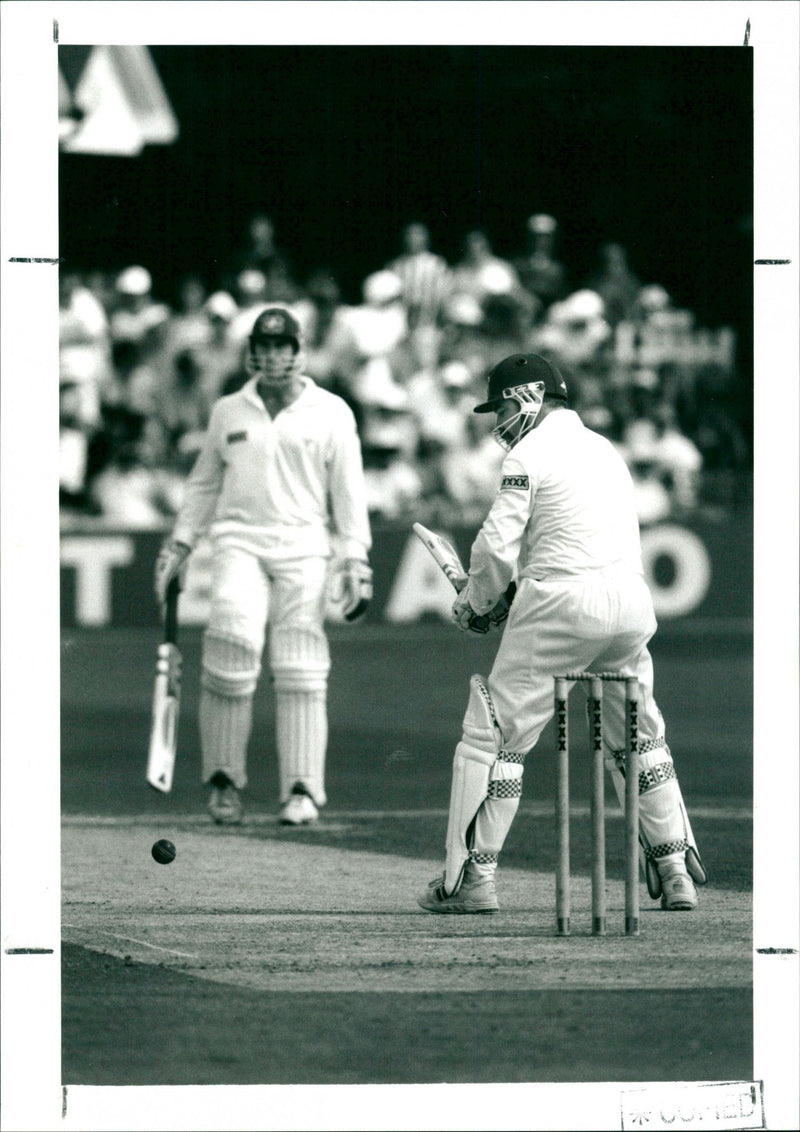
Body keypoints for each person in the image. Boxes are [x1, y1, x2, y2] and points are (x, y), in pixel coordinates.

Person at [417, 352, 707, 915]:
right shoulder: (606, 449)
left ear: (527, 395)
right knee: (638, 735)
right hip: (628, 602)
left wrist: (476, 605)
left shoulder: (528, 454)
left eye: (500, 403)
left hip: (560, 603)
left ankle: (471, 880)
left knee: (494, 735)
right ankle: (675, 870)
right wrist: (500, 594)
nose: (497, 419)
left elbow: (495, 546)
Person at [154, 306, 373, 826]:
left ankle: (301, 790)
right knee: (231, 647)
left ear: (300, 350)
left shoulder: (332, 411)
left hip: (304, 543)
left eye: (283, 346)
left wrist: (355, 555)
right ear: (253, 350)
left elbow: (349, 491)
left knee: (300, 665)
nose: (273, 356)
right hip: (239, 541)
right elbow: (205, 483)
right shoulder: (229, 409)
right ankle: (224, 784)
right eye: (265, 346)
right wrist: (181, 543)